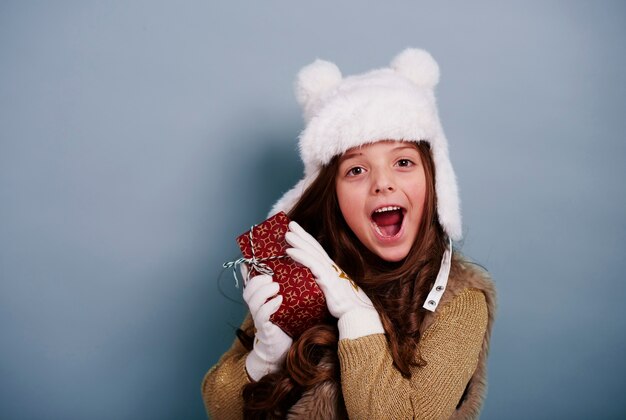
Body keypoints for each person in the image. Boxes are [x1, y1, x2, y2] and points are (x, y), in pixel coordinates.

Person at [202, 48, 496, 419]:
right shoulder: (302, 270)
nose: (382, 185)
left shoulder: (462, 300)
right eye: (356, 170)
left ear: (434, 181)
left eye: (403, 162)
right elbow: (218, 406)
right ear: (332, 194)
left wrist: (356, 315)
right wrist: (263, 357)